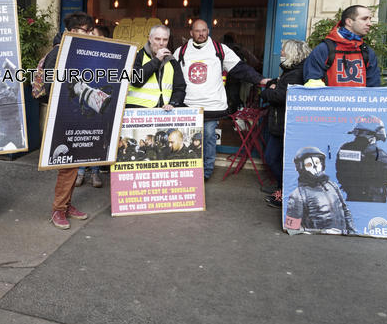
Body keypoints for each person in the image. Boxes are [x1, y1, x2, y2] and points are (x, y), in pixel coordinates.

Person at [173, 19, 269, 180]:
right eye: (197, 31)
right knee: (188, 139)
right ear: (191, 33)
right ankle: (189, 171)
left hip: (212, 105)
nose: (201, 33)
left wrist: (260, 80)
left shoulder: (219, 49)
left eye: (204, 30)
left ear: (208, 31)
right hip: (188, 105)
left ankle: (206, 172)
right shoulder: (181, 51)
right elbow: (171, 75)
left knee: (209, 137)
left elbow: (240, 69)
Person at [41, 12, 95, 229]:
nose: (89, 34)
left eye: (90, 31)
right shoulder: (57, 54)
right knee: (67, 166)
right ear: (72, 31)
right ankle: (58, 210)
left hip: (77, 114)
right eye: (85, 31)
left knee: (73, 163)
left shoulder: (77, 50)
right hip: (63, 117)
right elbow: (48, 88)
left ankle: (67, 205)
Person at [260, 39, 310, 208]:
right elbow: (279, 87)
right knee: (277, 158)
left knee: (272, 158)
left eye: (283, 50)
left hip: (284, 124)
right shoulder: (291, 72)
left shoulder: (294, 74)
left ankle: (284, 193)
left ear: (292, 53)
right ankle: (281, 189)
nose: (281, 53)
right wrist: (272, 83)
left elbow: (279, 96)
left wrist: (267, 92)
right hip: (282, 123)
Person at [303, 4, 381, 87]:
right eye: (364, 19)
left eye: (370, 19)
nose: (369, 24)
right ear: (349, 22)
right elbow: (312, 85)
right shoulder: (324, 49)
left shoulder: (367, 52)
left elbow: (373, 88)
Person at [285, 146, 356, 235]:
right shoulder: (298, 195)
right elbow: (292, 229)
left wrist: (352, 231)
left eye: (317, 162)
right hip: (319, 242)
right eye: (309, 165)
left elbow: (346, 211)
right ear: (301, 167)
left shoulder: (332, 185)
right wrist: (322, 232)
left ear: (322, 164)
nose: (315, 167)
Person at [76, 25, 111, 188]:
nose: (90, 36)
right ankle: (81, 171)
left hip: (100, 104)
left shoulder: (109, 56)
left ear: (103, 38)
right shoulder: (82, 53)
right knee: (83, 138)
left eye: (94, 34)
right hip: (83, 103)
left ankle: (95, 172)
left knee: (98, 138)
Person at [335, 116, 387, 203]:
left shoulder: (345, 148)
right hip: (373, 199)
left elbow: (340, 172)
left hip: (352, 197)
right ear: (371, 136)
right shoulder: (372, 151)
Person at [127, 24, 186, 110]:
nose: (161, 43)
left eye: (165, 40)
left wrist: (173, 103)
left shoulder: (172, 61)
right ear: (150, 39)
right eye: (157, 39)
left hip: (162, 114)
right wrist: (156, 60)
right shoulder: (137, 56)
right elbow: (136, 81)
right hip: (137, 112)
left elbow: (180, 88)